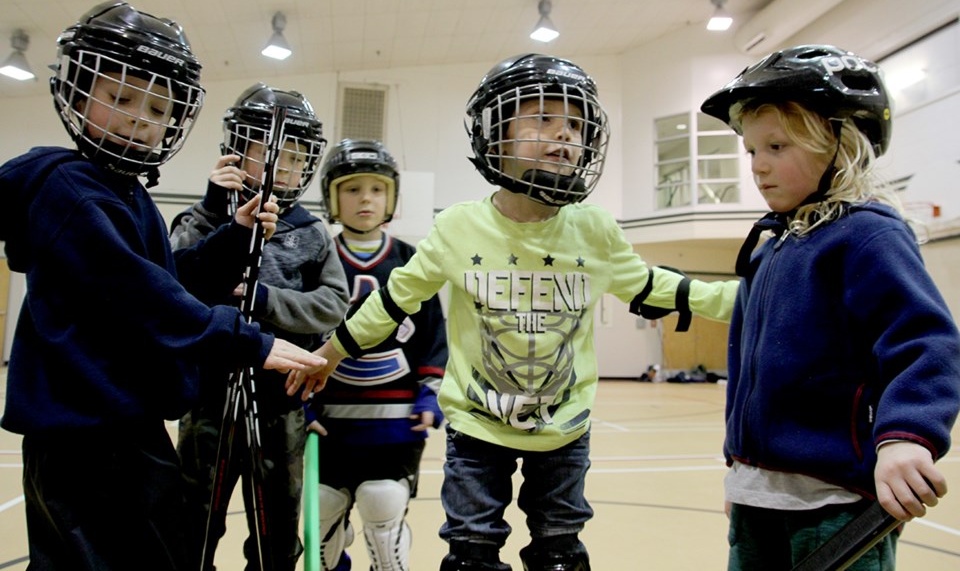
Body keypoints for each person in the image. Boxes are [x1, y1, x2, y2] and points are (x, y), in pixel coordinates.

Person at [287, 53, 739, 571]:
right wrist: (330, 353)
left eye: (574, 123)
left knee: (559, 553)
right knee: (470, 553)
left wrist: (745, 299)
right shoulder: (458, 228)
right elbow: (392, 302)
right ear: (496, 134)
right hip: (477, 429)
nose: (564, 134)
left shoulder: (593, 229)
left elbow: (649, 284)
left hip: (565, 430)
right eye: (543, 118)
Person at [0, 0, 326, 571]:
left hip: (127, 424)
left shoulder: (126, 193)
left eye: (157, 106)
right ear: (77, 96)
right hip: (79, 434)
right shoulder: (69, 191)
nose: (139, 118)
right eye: (120, 98)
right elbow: (141, 297)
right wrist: (254, 341)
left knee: (165, 551)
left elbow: (172, 279)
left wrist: (234, 235)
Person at [700, 44, 960, 570]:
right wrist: (744, 471)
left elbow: (926, 343)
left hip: (836, 504)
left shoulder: (866, 235)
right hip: (757, 498)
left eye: (776, 145)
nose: (758, 165)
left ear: (838, 144)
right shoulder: (768, 248)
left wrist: (906, 438)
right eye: (751, 151)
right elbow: (747, 369)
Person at [168, 83, 350, 571]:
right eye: (265, 153)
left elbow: (332, 305)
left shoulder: (311, 233)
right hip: (208, 401)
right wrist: (213, 212)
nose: (278, 166)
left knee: (276, 525)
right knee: (194, 519)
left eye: (293, 157)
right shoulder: (198, 220)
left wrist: (265, 299)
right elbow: (176, 289)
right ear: (237, 153)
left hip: (279, 402)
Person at [308, 138, 449, 571]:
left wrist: (429, 394)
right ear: (332, 197)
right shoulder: (316, 258)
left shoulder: (412, 262)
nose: (365, 198)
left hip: (395, 421)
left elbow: (431, 336)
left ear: (391, 198)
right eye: (352, 189)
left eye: (376, 189)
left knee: (382, 503)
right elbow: (298, 333)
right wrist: (301, 399)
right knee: (323, 511)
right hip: (329, 419)